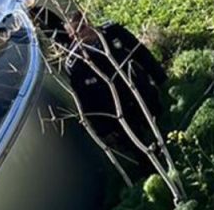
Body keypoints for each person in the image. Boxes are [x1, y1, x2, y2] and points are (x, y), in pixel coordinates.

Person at [63, 11, 167, 160]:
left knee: (164, 126)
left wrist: (161, 79)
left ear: (89, 22)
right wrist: (104, 130)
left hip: (141, 92)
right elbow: (86, 101)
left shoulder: (113, 32)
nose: (81, 36)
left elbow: (141, 54)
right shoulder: (76, 63)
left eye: (82, 28)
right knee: (143, 152)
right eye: (75, 34)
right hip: (119, 111)